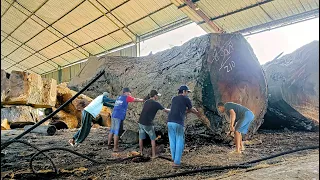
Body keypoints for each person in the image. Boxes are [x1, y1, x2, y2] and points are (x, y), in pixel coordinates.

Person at [167, 85, 200, 168]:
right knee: (179, 141)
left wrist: (188, 111)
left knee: (172, 141)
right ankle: (177, 162)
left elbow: (181, 109)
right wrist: (196, 112)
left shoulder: (174, 98)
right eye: (187, 92)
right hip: (178, 122)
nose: (187, 94)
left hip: (169, 121)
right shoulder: (186, 99)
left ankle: (174, 159)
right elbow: (191, 109)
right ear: (184, 91)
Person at [108, 87, 144, 152]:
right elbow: (135, 99)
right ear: (125, 92)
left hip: (113, 115)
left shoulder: (119, 97)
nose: (130, 94)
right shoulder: (126, 97)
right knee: (117, 132)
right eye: (129, 92)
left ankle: (109, 145)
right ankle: (115, 148)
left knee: (112, 130)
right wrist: (143, 100)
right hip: (119, 116)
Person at [138, 90, 170, 158]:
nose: (157, 97)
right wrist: (173, 109)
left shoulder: (146, 102)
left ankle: (140, 152)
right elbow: (166, 110)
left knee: (141, 137)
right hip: (147, 123)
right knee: (153, 139)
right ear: (155, 96)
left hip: (140, 122)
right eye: (157, 96)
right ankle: (153, 155)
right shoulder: (156, 104)